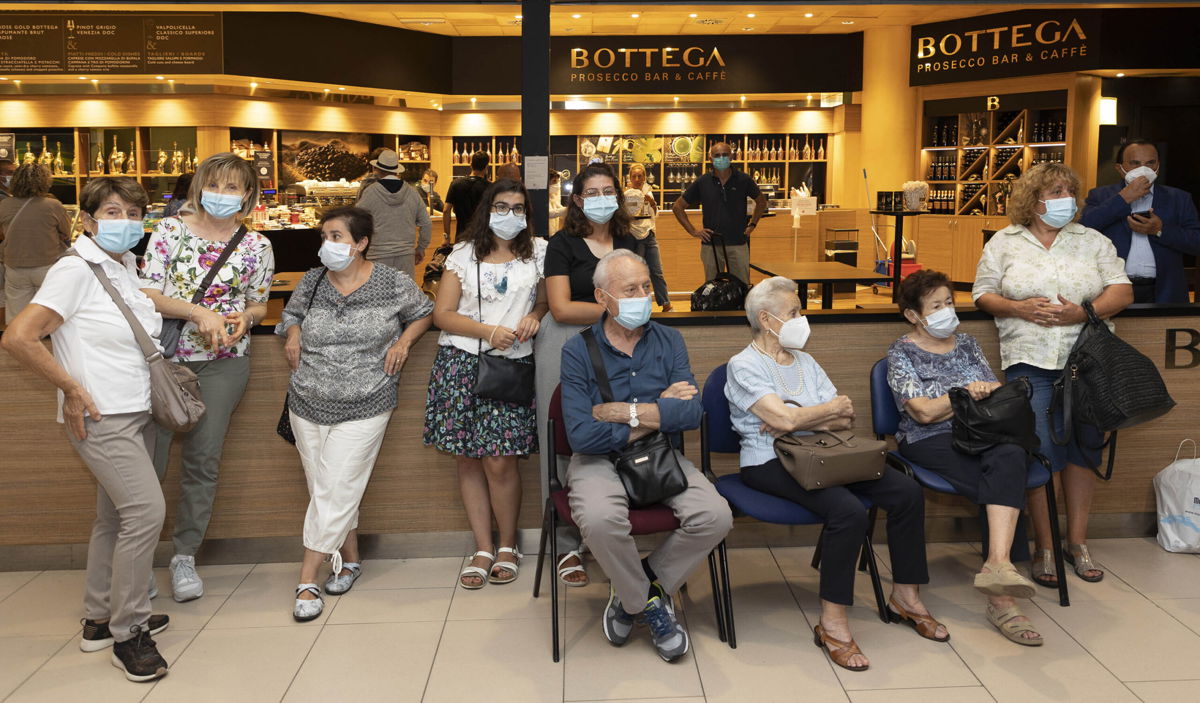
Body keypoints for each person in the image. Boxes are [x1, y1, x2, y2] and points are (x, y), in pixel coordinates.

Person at [726, 276, 944, 671]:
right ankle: (833, 623)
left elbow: (844, 418)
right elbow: (787, 419)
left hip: (825, 453)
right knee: (847, 511)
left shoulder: (806, 362)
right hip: (767, 461)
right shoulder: (742, 365)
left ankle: (906, 597)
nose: (802, 318)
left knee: (906, 492)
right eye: (794, 312)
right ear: (765, 318)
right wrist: (805, 416)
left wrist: (800, 418)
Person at [2, 177, 171, 682]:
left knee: (115, 519)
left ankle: (99, 619)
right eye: (114, 212)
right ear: (89, 220)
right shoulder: (73, 269)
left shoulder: (119, 265)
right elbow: (19, 336)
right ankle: (130, 632)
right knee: (145, 513)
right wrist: (70, 389)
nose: (127, 221)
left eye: (135, 212)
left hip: (134, 409)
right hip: (102, 414)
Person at [561, 249, 732, 663]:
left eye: (646, 286)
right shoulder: (577, 350)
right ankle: (651, 605)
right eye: (630, 289)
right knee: (600, 521)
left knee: (716, 516)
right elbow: (582, 434)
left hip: (660, 455)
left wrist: (624, 411)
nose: (643, 295)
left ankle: (636, 588)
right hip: (599, 458)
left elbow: (691, 413)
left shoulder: (669, 339)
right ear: (602, 297)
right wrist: (659, 411)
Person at [974, 162, 1133, 589]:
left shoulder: (1093, 240)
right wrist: (1019, 308)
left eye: (1069, 190)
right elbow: (983, 293)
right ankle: (1045, 547)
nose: (1066, 197)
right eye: (1056, 190)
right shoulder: (1004, 243)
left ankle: (1076, 543)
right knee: (1042, 453)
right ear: (1033, 199)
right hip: (1030, 363)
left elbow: (1122, 289)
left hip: (1087, 361)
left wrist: (1084, 312)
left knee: (1085, 450)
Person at [279, 206, 432, 621]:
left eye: (336, 236)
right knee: (326, 488)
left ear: (361, 243)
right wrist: (293, 332)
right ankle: (350, 559)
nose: (327, 244)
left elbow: (423, 312)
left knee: (337, 485)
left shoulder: (391, 281)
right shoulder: (312, 281)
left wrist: (403, 343)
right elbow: (290, 314)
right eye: (324, 236)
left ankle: (307, 575)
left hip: (368, 399)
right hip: (307, 399)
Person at [140, 152, 276, 603]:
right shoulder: (170, 231)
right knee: (149, 462)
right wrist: (198, 311)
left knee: (203, 460)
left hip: (224, 362)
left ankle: (184, 556)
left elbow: (259, 303)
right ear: (199, 187)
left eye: (233, 187)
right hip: (165, 359)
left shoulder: (256, 246)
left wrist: (245, 317)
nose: (222, 195)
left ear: (248, 194)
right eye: (214, 185)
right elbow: (148, 295)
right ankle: (137, 561)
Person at [888, 269, 1043, 646]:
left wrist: (977, 395)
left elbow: (993, 395)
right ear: (913, 315)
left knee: (1009, 453)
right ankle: (1002, 597)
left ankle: (997, 564)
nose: (946, 310)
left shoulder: (969, 344)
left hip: (982, 434)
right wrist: (963, 395)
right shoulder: (901, 352)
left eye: (949, 302)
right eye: (936, 305)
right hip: (928, 438)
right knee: (1004, 478)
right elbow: (922, 412)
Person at [423, 179, 548, 589]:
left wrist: (536, 314)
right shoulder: (462, 254)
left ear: (527, 215)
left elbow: (547, 299)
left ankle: (509, 545)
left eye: (518, 208)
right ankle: (482, 546)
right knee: (468, 458)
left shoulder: (540, 253)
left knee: (501, 459)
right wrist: (487, 331)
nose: (509, 215)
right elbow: (442, 314)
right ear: (486, 209)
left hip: (511, 368)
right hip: (461, 363)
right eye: (501, 206)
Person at [536, 162, 638, 588]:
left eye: (607, 191)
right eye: (591, 192)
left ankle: (611, 533)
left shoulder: (630, 241)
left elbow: (645, 291)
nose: (601, 199)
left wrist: (636, 307)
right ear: (577, 199)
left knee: (620, 431)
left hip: (620, 350)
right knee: (564, 440)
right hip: (563, 344)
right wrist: (619, 310)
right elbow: (560, 307)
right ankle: (566, 545)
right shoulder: (562, 243)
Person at [1081, 138, 1200, 304]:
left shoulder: (1179, 198)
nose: (1144, 169)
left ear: (1158, 166)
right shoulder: (1100, 196)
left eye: (1150, 163)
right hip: (1111, 290)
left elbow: (1196, 243)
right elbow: (1082, 230)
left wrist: (1160, 230)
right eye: (1135, 163)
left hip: (1164, 291)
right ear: (1119, 168)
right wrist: (1123, 199)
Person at [672, 141, 766, 286]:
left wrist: (752, 224)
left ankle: (741, 309)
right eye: (717, 155)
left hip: (738, 243)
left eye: (724, 155)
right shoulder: (702, 182)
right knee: (712, 289)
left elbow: (761, 202)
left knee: (742, 287)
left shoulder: (743, 180)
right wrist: (694, 231)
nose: (721, 158)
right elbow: (678, 207)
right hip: (711, 245)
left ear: (732, 156)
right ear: (710, 159)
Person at [0, 163, 72, 322]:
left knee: (18, 318)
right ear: (44, 181)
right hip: (47, 266)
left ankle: (20, 343)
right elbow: (67, 232)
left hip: (15, 267)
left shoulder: (4, 205)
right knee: (50, 313)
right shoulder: (52, 205)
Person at [354, 149, 432, 280]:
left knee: (379, 297)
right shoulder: (412, 192)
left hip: (377, 256)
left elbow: (355, 222)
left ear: (377, 169)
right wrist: (421, 248)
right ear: (396, 170)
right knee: (404, 297)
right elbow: (426, 224)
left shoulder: (370, 193)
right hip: (406, 257)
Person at [625, 163, 671, 311]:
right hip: (632, 237)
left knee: (657, 272)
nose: (637, 179)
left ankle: (666, 305)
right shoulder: (626, 194)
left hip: (649, 235)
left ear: (645, 177)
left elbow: (654, 215)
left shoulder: (649, 192)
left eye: (640, 176)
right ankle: (635, 306)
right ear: (630, 178)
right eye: (634, 176)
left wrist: (652, 204)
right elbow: (627, 216)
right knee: (634, 275)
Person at [444, 151, 490, 243]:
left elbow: (446, 210)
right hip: (483, 238)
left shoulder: (456, 184)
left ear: (471, 165)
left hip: (461, 237)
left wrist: (446, 236)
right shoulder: (490, 187)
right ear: (486, 167)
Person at [547, 170, 567, 235]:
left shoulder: (552, 194)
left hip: (554, 231)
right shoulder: (542, 196)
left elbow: (559, 207)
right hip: (546, 233)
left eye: (557, 182)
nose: (557, 185)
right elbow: (549, 213)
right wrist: (567, 209)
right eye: (554, 181)